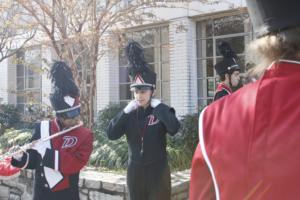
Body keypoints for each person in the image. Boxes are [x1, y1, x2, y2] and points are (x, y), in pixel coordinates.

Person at [189, 0, 300, 199]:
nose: (239, 77)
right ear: (226, 77)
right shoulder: (220, 100)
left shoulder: (221, 112)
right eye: (236, 74)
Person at [107, 41, 180, 200]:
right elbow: (111, 134)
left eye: (144, 91)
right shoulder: (129, 113)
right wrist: (125, 112)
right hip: (135, 173)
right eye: (136, 91)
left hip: (158, 172)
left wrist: (160, 107)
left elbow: (174, 128)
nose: (140, 95)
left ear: (153, 90)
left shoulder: (161, 110)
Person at [11, 61, 93, 200]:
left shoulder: (86, 135)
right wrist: (20, 156)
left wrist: (46, 152)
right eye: (70, 115)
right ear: (59, 115)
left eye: (77, 112)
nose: (76, 118)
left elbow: (74, 164)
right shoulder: (42, 128)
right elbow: (34, 161)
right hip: (41, 194)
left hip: (66, 195)